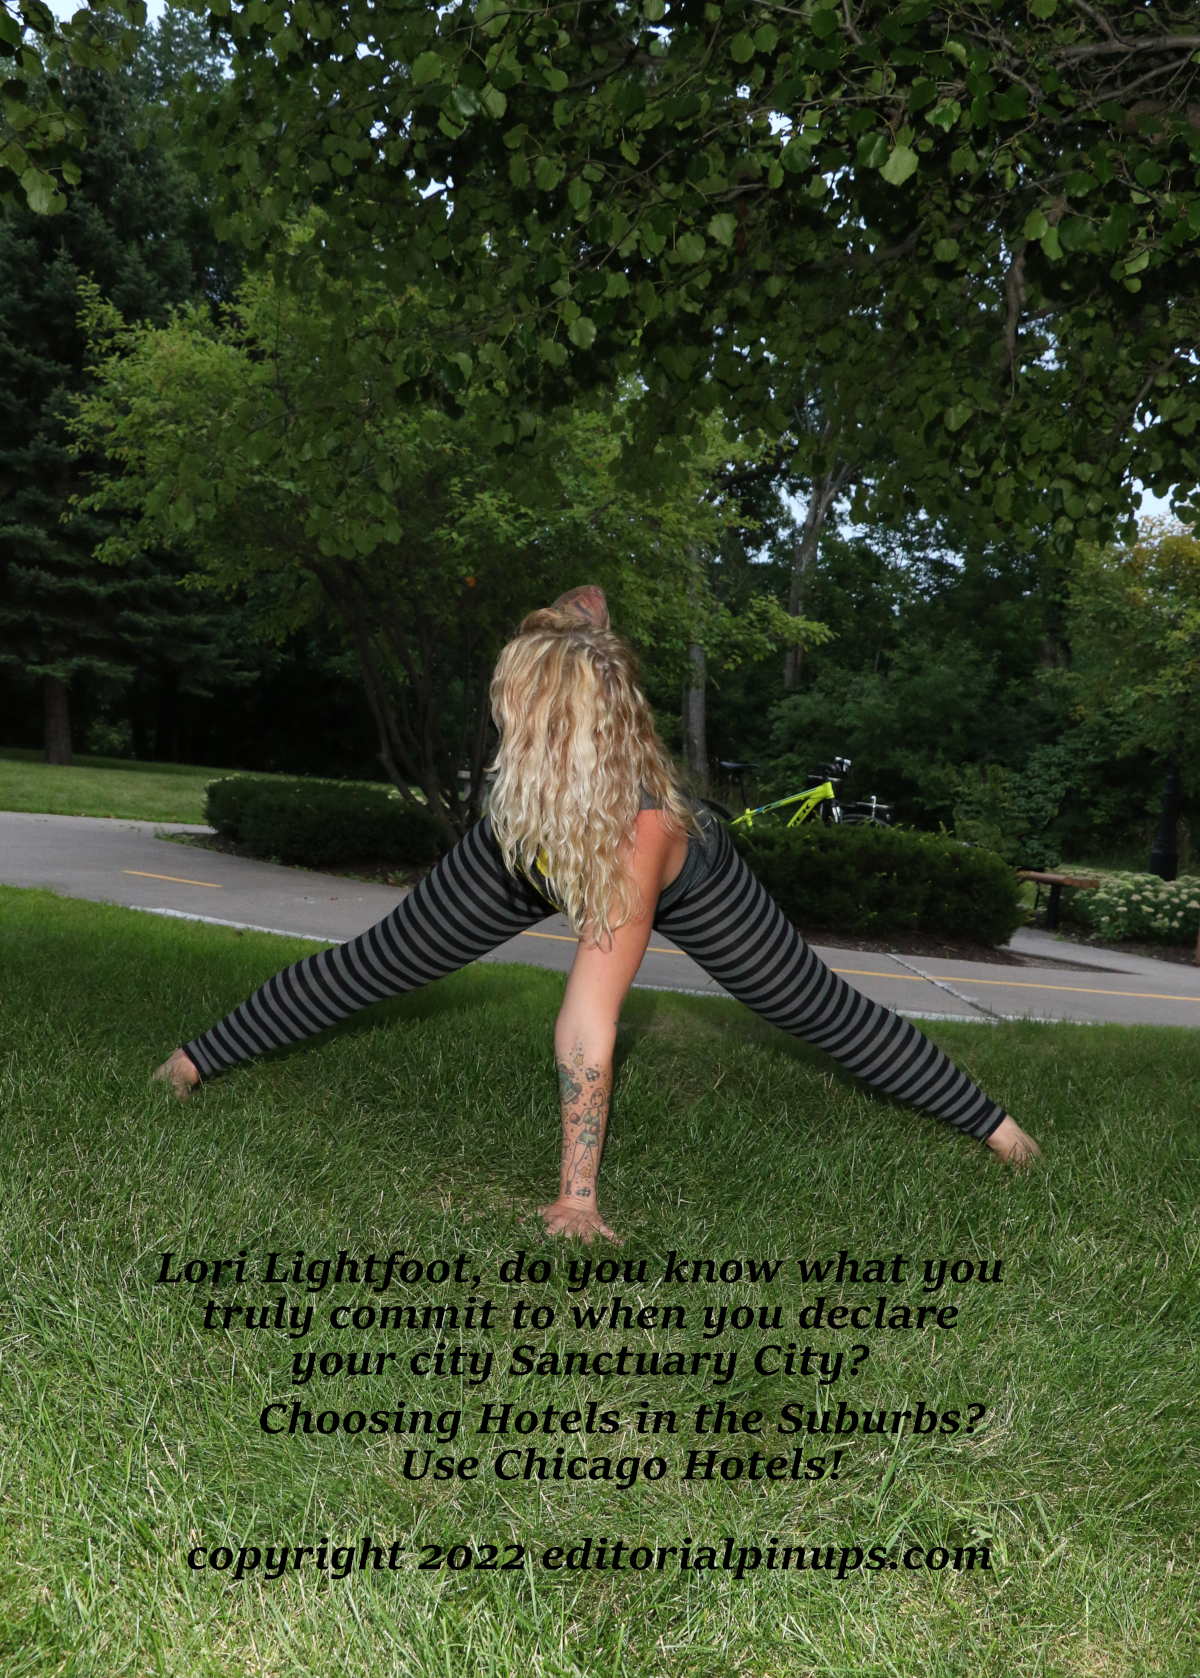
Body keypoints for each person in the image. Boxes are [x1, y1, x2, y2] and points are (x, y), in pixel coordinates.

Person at [155, 585, 1040, 1241]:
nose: (502, 712)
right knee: (378, 961)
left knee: (815, 1005)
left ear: (558, 722)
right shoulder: (536, 755)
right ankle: (190, 1064)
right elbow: (586, 598)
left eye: (518, 703)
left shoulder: (643, 831)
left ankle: (1006, 1137)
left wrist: (576, 1197)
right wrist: (575, 621)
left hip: (671, 869)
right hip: (534, 837)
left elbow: (588, 1020)